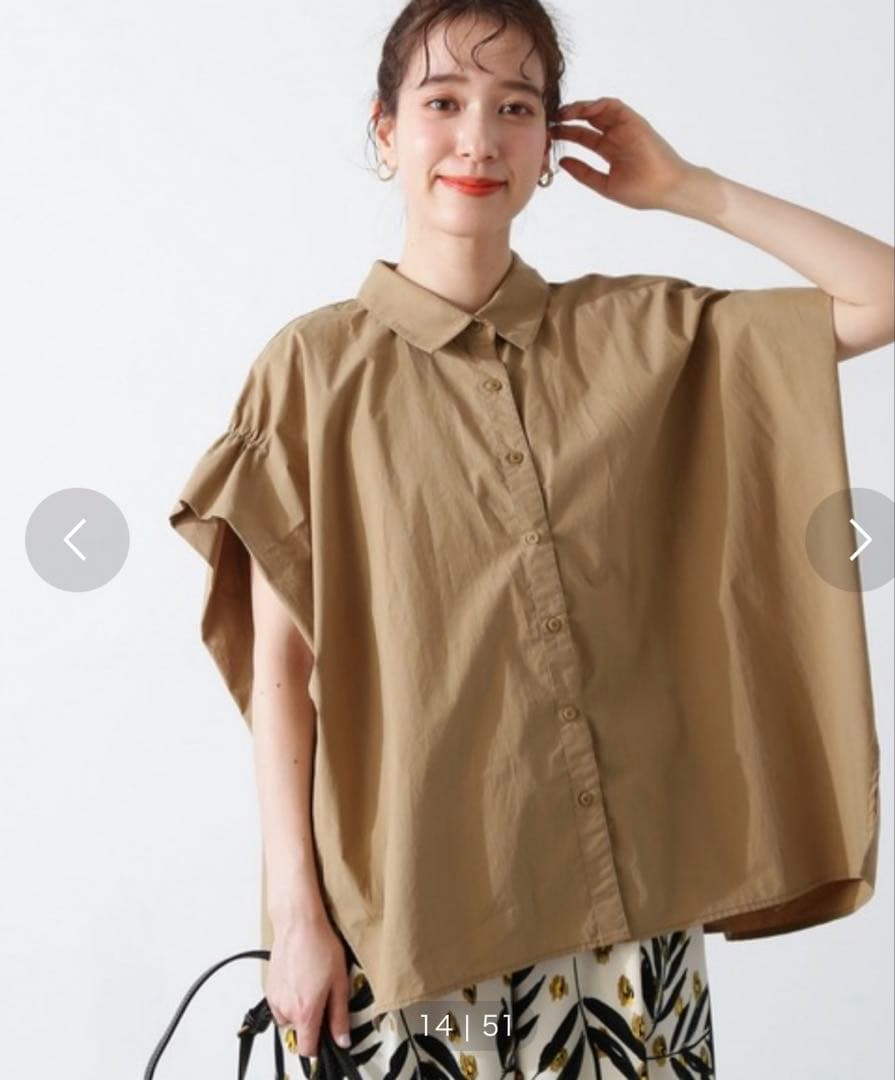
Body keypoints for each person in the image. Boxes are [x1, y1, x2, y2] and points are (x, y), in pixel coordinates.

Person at [168, 1, 892, 1077]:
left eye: (516, 108)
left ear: (550, 144)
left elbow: (878, 296)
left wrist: (686, 188)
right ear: (385, 130)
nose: (477, 139)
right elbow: (282, 669)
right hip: (414, 927)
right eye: (442, 102)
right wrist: (294, 916)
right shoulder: (312, 372)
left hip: (627, 933)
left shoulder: (639, 333)